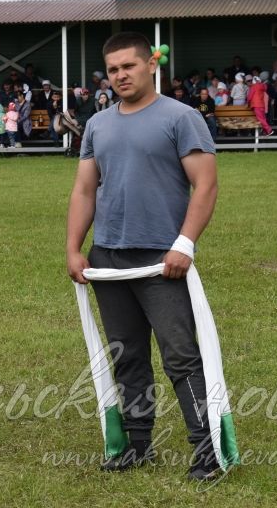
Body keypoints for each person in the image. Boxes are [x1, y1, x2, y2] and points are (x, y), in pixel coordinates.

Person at [66, 31, 221, 481]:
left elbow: (206, 184)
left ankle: (206, 449)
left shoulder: (182, 117)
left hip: (162, 259)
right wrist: (74, 248)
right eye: (112, 70)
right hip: (108, 259)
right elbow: (84, 188)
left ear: (150, 64)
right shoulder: (98, 124)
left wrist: (184, 244)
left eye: (128, 66)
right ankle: (137, 445)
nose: (120, 76)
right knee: (127, 355)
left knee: (180, 356)